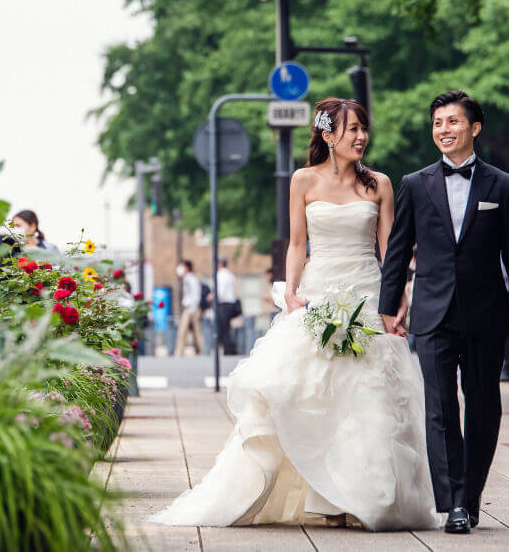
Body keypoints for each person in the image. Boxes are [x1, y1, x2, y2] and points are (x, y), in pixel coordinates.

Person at [152, 98, 439, 531]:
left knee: (370, 396)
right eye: (351, 129)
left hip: (367, 290)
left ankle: (364, 498)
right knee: (309, 394)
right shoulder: (303, 180)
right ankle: (323, 496)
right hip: (318, 292)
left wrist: (397, 299)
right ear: (328, 136)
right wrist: (290, 293)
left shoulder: (378, 184)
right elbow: (297, 244)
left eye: (364, 128)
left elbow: (389, 249)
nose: (361, 136)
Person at [379, 91, 509, 535]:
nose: (444, 130)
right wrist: (388, 308)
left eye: (452, 122)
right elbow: (396, 253)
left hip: (487, 314)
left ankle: (470, 495)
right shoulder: (415, 183)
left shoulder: (503, 186)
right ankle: (454, 505)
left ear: (475, 128)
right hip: (432, 314)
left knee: (485, 407)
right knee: (440, 407)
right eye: (437, 123)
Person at [173, 260, 204, 356]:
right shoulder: (186, 279)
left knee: (195, 332)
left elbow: (196, 294)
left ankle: (201, 351)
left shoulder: (191, 279)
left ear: (187, 268)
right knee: (183, 332)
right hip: (189, 308)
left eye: (182, 266)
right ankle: (179, 353)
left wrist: (192, 308)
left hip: (192, 308)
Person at [215, 258, 242, 356]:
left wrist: (213, 297)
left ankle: (229, 350)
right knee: (227, 329)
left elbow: (220, 291)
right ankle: (230, 349)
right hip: (231, 304)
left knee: (224, 329)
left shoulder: (220, 274)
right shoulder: (230, 274)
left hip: (224, 304)